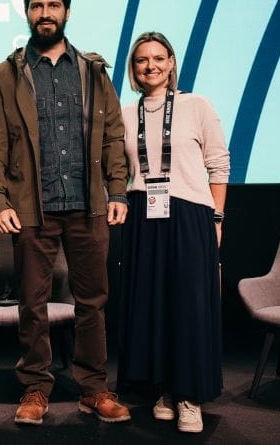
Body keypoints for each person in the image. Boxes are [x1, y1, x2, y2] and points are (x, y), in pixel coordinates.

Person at [0, 0, 130, 425]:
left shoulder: (92, 70)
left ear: (66, 11)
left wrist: (117, 190)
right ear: (26, 12)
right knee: (33, 303)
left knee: (93, 302)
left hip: (88, 206)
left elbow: (114, 136)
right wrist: (0, 201)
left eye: (53, 5)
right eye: (37, 6)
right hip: (32, 208)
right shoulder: (8, 73)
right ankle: (35, 389)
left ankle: (93, 389)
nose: (45, 13)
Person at [117, 31, 229, 433]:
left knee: (188, 305)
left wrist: (216, 220)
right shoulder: (125, 113)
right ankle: (163, 389)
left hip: (189, 214)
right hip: (143, 216)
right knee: (153, 305)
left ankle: (190, 396)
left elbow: (219, 165)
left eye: (158, 58)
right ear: (134, 69)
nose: (151, 66)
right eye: (142, 60)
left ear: (171, 62)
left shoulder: (197, 105)